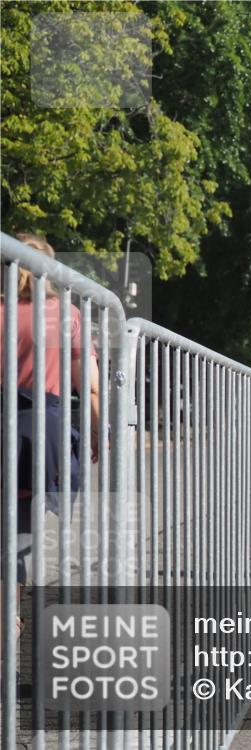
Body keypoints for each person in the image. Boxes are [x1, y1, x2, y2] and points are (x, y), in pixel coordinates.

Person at [0, 233, 100, 639]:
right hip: (37, 438)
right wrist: (95, 430)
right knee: (17, 534)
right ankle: (10, 622)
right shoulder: (67, 315)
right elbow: (88, 384)